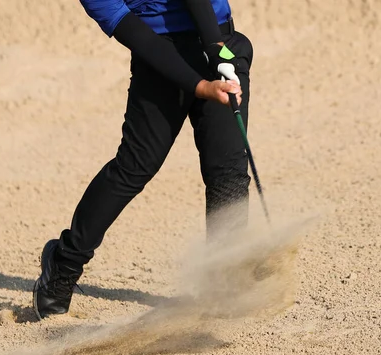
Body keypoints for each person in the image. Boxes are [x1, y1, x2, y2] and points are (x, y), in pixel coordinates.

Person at [33, 0, 254, 319]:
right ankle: (63, 265)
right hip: (160, 57)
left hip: (219, 39)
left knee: (228, 172)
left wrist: (216, 46)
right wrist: (201, 85)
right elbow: (141, 38)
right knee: (134, 168)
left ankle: (224, 285)